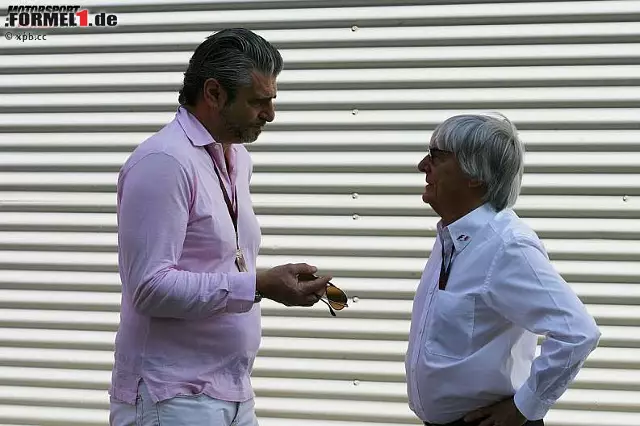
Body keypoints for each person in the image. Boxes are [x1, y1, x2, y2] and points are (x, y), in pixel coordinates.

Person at [109, 28, 332, 426]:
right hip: (171, 398)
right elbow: (149, 288)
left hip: (229, 391)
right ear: (213, 93)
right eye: (258, 101)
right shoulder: (164, 162)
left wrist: (262, 282)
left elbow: (221, 262)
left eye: (272, 100)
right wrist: (259, 285)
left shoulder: (236, 158)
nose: (270, 114)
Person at [405, 114, 601, 426]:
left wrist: (524, 408)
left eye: (437, 156)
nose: (422, 166)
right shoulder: (452, 237)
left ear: (475, 174)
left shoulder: (507, 246)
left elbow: (578, 332)